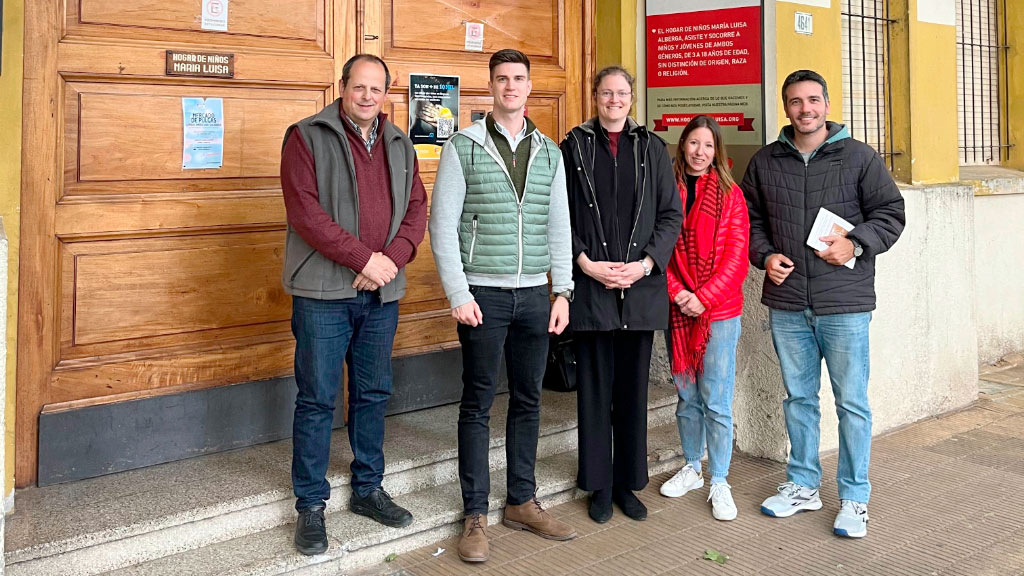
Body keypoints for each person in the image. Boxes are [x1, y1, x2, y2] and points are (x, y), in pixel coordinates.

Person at [742, 70, 905, 538]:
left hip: (844, 304)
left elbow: (891, 214)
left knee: (852, 403)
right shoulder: (766, 161)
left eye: (813, 100)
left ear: (827, 104)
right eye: (795, 102)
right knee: (798, 399)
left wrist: (854, 244)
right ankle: (802, 485)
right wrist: (764, 256)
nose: (805, 109)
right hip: (788, 302)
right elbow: (750, 221)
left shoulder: (859, 157)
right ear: (785, 107)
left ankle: (855, 498)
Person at [429, 48, 577, 563]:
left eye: (518, 78)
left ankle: (521, 500)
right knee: (477, 402)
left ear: (529, 86)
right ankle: (474, 514)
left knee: (529, 400)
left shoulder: (549, 151)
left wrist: (563, 291)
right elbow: (442, 227)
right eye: (502, 79)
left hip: (536, 294)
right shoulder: (463, 146)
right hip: (483, 295)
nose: (510, 86)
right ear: (490, 86)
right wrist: (458, 292)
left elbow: (560, 224)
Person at [280, 54, 428, 555]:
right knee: (318, 398)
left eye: (377, 89)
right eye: (359, 86)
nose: (367, 96)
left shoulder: (399, 142)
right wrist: (365, 258)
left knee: (372, 393)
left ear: (387, 93)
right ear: (342, 86)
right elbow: (306, 213)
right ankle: (310, 505)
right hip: (323, 294)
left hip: (382, 295)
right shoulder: (305, 136)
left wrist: (392, 260)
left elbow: (416, 210)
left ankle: (367, 488)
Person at [560, 66, 683, 525]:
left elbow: (670, 215)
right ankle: (598, 485)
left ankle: (629, 484)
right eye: (607, 92)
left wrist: (646, 264)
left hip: (640, 287)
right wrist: (584, 263)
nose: (615, 100)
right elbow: (560, 215)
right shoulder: (572, 148)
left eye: (623, 93)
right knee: (594, 392)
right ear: (595, 96)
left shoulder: (652, 148)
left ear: (633, 98)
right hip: (591, 288)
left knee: (632, 392)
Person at [658, 115, 749, 523]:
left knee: (716, 399)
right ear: (683, 146)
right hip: (678, 312)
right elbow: (660, 249)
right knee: (686, 397)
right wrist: (678, 292)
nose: (700, 152)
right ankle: (693, 466)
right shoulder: (667, 192)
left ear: (717, 151)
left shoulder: (731, 195)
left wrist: (703, 297)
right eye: (693, 143)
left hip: (719, 314)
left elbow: (737, 258)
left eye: (708, 145)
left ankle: (720, 480)